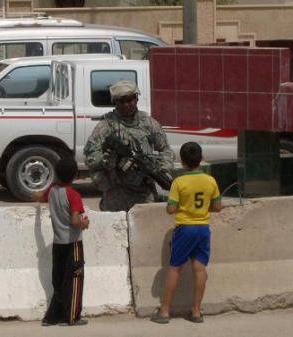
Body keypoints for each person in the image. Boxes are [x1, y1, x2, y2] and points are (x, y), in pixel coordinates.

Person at [151, 142, 222, 324]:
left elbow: (171, 209)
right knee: (200, 270)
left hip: (185, 229)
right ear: (201, 159)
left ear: (182, 161)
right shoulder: (210, 181)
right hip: (203, 229)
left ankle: (165, 310)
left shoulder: (179, 182)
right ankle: (196, 311)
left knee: (175, 268)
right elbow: (217, 207)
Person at [84, 80, 174, 212]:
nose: (126, 104)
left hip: (144, 191)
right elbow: (89, 157)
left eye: (130, 100)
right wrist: (106, 160)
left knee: (144, 229)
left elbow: (166, 150)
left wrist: (162, 169)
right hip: (116, 192)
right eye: (121, 101)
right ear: (115, 102)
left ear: (136, 99)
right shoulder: (106, 125)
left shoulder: (149, 123)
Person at [32, 156, 90, 326]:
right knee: (74, 280)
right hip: (73, 243)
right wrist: (84, 223)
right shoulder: (74, 195)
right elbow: (74, 221)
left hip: (58, 243)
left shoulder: (52, 190)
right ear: (75, 175)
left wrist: (31, 193)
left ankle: (51, 317)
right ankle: (71, 317)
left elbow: (38, 196)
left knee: (58, 281)